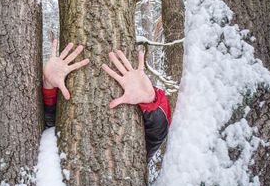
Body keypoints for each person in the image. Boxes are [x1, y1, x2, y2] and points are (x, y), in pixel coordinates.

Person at [42, 39, 172, 161]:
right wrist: (49, 85)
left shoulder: (138, 156)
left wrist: (150, 101)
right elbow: (50, 125)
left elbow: (156, 137)